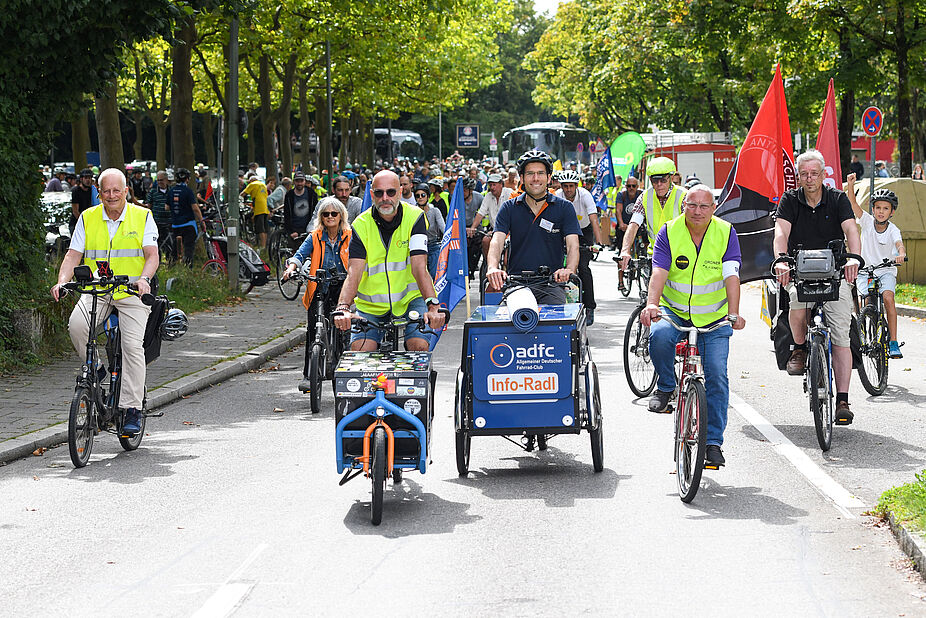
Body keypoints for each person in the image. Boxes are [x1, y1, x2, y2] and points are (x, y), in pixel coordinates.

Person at [641, 184, 744, 467]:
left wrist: (734, 313)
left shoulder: (725, 232)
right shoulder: (669, 231)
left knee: (717, 379)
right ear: (683, 205)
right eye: (692, 205)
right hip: (674, 311)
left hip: (715, 318)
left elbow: (731, 275)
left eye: (704, 206)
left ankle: (712, 443)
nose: (697, 211)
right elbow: (659, 270)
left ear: (714, 208)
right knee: (660, 336)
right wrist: (652, 304)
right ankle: (665, 386)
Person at [50, 168, 159, 436]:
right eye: (106, 191)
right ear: (99, 193)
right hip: (98, 290)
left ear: (126, 192)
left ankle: (132, 408)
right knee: (76, 326)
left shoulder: (142, 216)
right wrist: (62, 281)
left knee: (132, 346)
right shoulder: (88, 218)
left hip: (132, 292)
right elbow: (73, 255)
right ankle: (96, 370)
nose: (111, 196)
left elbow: (152, 255)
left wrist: (144, 279)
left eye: (116, 191)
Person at [773, 149, 861, 424]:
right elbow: (780, 232)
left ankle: (843, 399)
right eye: (804, 174)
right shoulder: (789, 200)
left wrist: (854, 260)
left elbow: (851, 230)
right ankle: (799, 348)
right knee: (796, 305)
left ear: (823, 175)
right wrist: (780, 261)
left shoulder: (837, 198)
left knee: (841, 335)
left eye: (814, 173)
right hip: (799, 270)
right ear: (798, 177)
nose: (809, 179)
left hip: (835, 271)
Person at [333, 170, 445, 351]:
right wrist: (344, 307)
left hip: (410, 300)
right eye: (379, 193)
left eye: (391, 192)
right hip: (371, 306)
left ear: (400, 192)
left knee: (418, 347)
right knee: (360, 352)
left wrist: (432, 305)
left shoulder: (415, 217)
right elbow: (354, 273)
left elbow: (419, 267)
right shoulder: (360, 225)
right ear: (372, 194)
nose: (385, 198)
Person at [486, 149, 580, 305]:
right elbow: (497, 241)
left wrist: (568, 269)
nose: (536, 178)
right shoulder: (509, 207)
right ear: (522, 178)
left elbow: (573, 246)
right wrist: (492, 267)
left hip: (552, 284)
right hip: (517, 284)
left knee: (558, 323)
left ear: (549, 177)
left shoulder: (565, 208)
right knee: (511, 320)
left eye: (540, 173)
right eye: (530, 174)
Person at [282, 198, 352, 393]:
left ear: (341, 216)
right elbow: (299, 254)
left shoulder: (349, 235)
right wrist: (291, 268)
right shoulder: (314, 236)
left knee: (344, 331)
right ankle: (308, 375)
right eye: (325, 214)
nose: (330, 217)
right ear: (321, 217)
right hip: (319, 287)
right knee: (313, 330)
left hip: (342, 288)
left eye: (334, 214)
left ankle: (345, 372)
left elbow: (359, 257)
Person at [846, 174, 906, 357]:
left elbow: (899, 244)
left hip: (885, 271)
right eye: (878, 207)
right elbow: (854, 205)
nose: (881, 211)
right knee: (865, 301)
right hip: (865, 271)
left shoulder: (894, 230)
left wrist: (901, 254)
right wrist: (850, 185)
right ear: (872, 209)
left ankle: (893, 341)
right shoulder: (866, 222)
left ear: (892, 212)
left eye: (885, 208)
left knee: (888, 298)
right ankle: (866, 335)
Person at [619, 156, 686, 270]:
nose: (659, 184)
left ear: (671, 178)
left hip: (681, 255)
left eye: (663, 180)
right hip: (656, 255)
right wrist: (625, 250)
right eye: (655, 181)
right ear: (650, 180)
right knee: (655, 287)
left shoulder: (684, 196)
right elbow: (633, 224)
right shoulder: (645, 197)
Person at [556, 169, 602, 324]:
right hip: (563, 232)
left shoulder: (585, 195)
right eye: (565, 186)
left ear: (576, 186)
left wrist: (597, 243)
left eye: (571, 186)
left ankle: (589, 307)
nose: (568, 190)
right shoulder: (557, 196)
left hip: (584, 231)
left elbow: (594, 219)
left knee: (583, 267)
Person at [468, 173, 512, 257]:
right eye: (490, 185)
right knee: (485, 241)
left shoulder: (509, 193)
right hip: (496, 230)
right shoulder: (488, 196)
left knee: (507, 259)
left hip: (510, 231)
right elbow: (481, 213)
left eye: (494, 185)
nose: (492, 187)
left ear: (501, 184)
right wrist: (473, 227)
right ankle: (489, 263)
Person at [168, 168, 203, 267]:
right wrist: (201, 221)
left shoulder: (171, 191)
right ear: (187, 179)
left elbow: (166, 207)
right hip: (188, 224)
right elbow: (195, 208)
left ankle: (172, 267)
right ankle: (188, 269)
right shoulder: (188, 191)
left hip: (176, 224)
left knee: (175, 248)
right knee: (189, 248)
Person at [414, 182, 445, 278]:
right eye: (417, 196)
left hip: (433, 245)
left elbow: (443, 227)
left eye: (423, 195)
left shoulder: (435, 211)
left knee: (434, 274)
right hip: (417, 247)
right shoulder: (412, 212)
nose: (420, 197)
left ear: (428, 196)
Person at [283, 172, 318, 246]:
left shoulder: (311, 194)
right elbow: (286, 214)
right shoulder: (289, 195)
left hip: (309, 227)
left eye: (301, 181)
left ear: (305, 181)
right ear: (294, 182)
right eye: (297, 181)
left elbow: (316, 211)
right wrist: (290, 231)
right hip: (294, 228)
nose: (299, 183)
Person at [145, 170, 173, 255]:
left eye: (161, 180)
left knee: (170, 244)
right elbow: (149, 206)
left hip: (169, 222)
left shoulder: (172, 191)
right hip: (157, 222)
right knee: (157, 244)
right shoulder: (153, 192)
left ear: (166, 180)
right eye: (158, 180)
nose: (159, 182)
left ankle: (170, 261)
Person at [241, 173, 270, 248]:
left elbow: (242, 194)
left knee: (260, 229)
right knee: (265, 228)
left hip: (258, 208)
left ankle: (262, 246)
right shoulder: (263, 185)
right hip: (265, 208)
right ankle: (264, 246)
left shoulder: (252, 184)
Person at [69, 168, 95, 236]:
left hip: (89, 223)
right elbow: (75, 211)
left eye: (90, 178)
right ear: (81, 179)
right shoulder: (76, 191)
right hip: (76, 223)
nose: (88, 180)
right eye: (86, 178)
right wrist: (83, 223)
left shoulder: (92, 190)